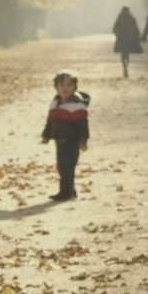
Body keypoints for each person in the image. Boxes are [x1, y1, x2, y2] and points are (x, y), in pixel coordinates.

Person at [40, 70, 90, 201]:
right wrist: (46, 135)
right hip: (59, 141)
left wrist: (83, 141)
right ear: (56, 87)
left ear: (74, 87)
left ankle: (65, 193)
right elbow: (50, 120)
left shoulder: (77, 105)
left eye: (69, 85)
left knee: (67, 167)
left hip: (72, 141)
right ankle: (70, 191)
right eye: (61, 85)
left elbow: (83, 125)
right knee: (62, 167)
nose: (65, 88)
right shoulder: (55, 102)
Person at [112, 6, 143, 78]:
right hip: (129, 40)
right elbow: (136, 29)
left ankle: (124, 66)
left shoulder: (120, 18)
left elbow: (114, 29)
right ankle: (126, 66)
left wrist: (118, 34)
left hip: (122, 40)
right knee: (127, 54)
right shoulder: (131, 18)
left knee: (123, 54)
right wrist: (137, 37)